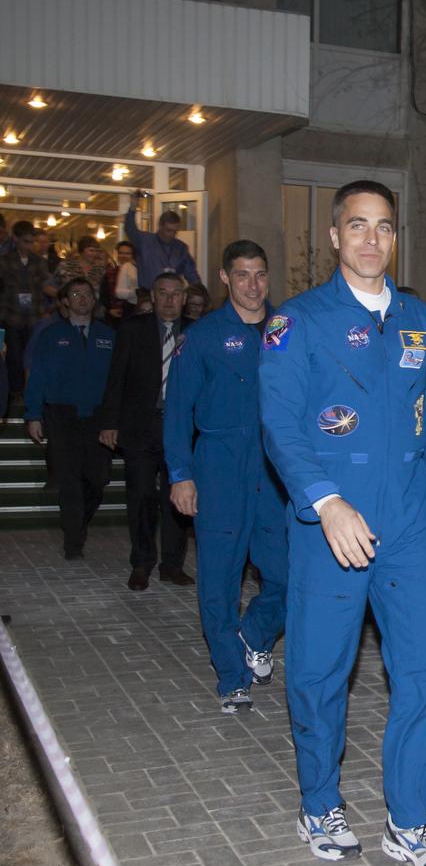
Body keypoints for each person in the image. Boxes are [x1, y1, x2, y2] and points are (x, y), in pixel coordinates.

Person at [260, 180, 426, 866]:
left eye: (383, 226)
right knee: (320, 672)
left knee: (423, 674)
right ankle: (320, 802)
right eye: (357, 226)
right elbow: (281, 424)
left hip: (409, 525)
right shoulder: (298, 322)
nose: (371, 239)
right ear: (333, 237)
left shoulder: (418, 322)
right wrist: (325, 500)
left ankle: (411, 821)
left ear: (395, 237)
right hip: (331, 528)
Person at [164, 240, 288, 715]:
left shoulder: (287, 330)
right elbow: (177, 412)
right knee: (218, 582)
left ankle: (251, 634)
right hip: (218, 469)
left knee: (289, 577)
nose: (252, 285)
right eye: (242, 275)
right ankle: (232, 677)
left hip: (276, 475)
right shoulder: (203, 337)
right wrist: (181, 475)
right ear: (224, 278)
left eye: (260, 274)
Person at [98, 273, 193, 591]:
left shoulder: (196, 331)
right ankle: (141, 562)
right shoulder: (132, 330)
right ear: (152, 297)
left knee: (178, 495)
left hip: (181, 427)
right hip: (140, 425)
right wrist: (109, 422)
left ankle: (172, 564)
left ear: (184, 297)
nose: (169, 300)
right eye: (163, 293)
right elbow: (116, 378)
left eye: (176, 294)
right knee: (140, 494)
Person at [24, 278, 115, 560]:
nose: (82, 298)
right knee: (69, 480)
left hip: (98, 417)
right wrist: (33, 414)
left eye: (87, 294)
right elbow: (37, 376)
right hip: (62, 416)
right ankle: (73, 541)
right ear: (65, 301)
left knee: (98, 480)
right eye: (76, 294)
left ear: (94, 299)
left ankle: (77, 524)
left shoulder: (108, 335)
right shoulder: (51, 335)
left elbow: (120, 379)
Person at [0, 220, 57, 405]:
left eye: (31, 241)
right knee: (14, 356)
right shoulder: (4, 261)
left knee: (31, 356)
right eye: (26, 241)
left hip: (34, 316)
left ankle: (29, 391)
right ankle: (15, 392)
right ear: (15, 238)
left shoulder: (39, 261)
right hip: (11, 315)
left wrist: (62, 295)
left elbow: (46, 285)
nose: (30, 245)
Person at [124, 190, 200, 287]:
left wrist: (199, 291)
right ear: (160, 226)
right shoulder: (145, 241)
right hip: (148, 294)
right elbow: (130, 229)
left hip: (172, 295)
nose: (172, 235)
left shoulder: (181, 248)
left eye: (175, 231)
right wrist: (133, 208)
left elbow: (191, 274)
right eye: (168, 230)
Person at [113, 241, 140, 311]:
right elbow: (116, 293)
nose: (123, 256)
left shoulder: (136, 267)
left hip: (137, 306)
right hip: (120, 308)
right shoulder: (112, 271)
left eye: (127, 253)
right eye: (120, 253)